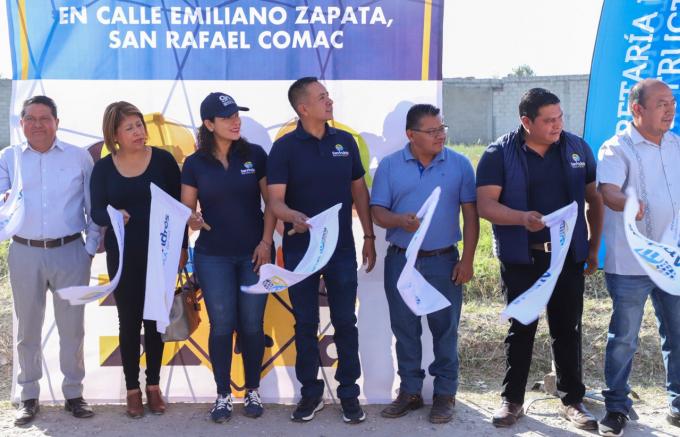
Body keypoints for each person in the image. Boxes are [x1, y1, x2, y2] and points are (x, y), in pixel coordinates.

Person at [476, 88, 603, 429]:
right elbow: (486, 205)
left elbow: (595, 199)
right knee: (521, 329)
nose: (557, 125)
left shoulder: (577, 148)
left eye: (560, 118)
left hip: (568, 259)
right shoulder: (499, 153)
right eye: (548, 120)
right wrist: (521, 218)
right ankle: (512, 400)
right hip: (522, 258)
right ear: (526, 122)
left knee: (567, 329)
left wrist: (593, 248)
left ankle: (573, 401)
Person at [267, 77, 376, 424]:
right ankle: (310, 395)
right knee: (305, 323)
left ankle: (348, 395)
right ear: (303, 108)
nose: (329, 101)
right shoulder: (284, 148)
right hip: (302, 251)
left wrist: (369, 236)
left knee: (346, 321)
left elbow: (359, 192)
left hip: (342, 250)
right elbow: (275, 202)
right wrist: (292, 217)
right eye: (321, 97)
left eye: (328, 96)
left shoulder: (345, 142)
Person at [370, 104, 479, 424]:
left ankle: (445, 394)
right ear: (410, 135)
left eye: (442, 129)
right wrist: (399, 221)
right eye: (432, 131)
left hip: (444, 262)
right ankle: (410, 391)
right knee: (405, 330)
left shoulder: (459, 164)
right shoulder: (390, 166)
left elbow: (471, 216)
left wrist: (468, 260)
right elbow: (378, 212)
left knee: (445, 331)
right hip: (401, 261)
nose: (440, 135)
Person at [0, 95, 99, 426]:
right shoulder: (9, 158)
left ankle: (74, 394)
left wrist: (90, 248)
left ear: (57, 121)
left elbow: (92, 205)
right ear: (21, 123)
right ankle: (28, 396)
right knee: (27, 328)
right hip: (24, 251)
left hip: (70, 251)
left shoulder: (78, 157)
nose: (38, 124)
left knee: (73, 328)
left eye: (45, 118)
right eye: (31, 118)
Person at [181, 92, 276, 422]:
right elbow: (186, 210)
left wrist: (266, 243)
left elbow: (272, 205)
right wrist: (190, 219)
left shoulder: (256, 155)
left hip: (255, 253)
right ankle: (222, 394)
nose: (236, 121)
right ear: (209, 124)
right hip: (212, 256)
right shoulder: (194, 164)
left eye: (237, 114)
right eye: (227, 117)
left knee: (252, 326)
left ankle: (252, 389)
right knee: (221, 326)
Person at [90, 101, 186, 418]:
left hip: (160, 253)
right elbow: (96, 209)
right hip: (123, 256)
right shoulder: (104, 167)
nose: (138, 132)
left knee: (155, 320)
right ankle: (133, 389)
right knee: (128, 322)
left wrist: (183, 247)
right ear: (114, 134)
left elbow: (178, 208)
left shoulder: (163, 161)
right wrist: (113, 213)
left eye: (140, 125)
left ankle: (154, 386)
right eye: (130, 127)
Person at [597, 78, 680, 437]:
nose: (670, 109)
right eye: (661, 103)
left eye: (672, 102)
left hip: (672, 261)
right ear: (637, 109)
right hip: (631, 263)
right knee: (625, 338)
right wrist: (630, 204)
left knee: (677, 335)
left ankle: (677, 404)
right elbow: (608, 191)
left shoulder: (676, 145)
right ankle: (616, 407)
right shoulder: (618, 148)